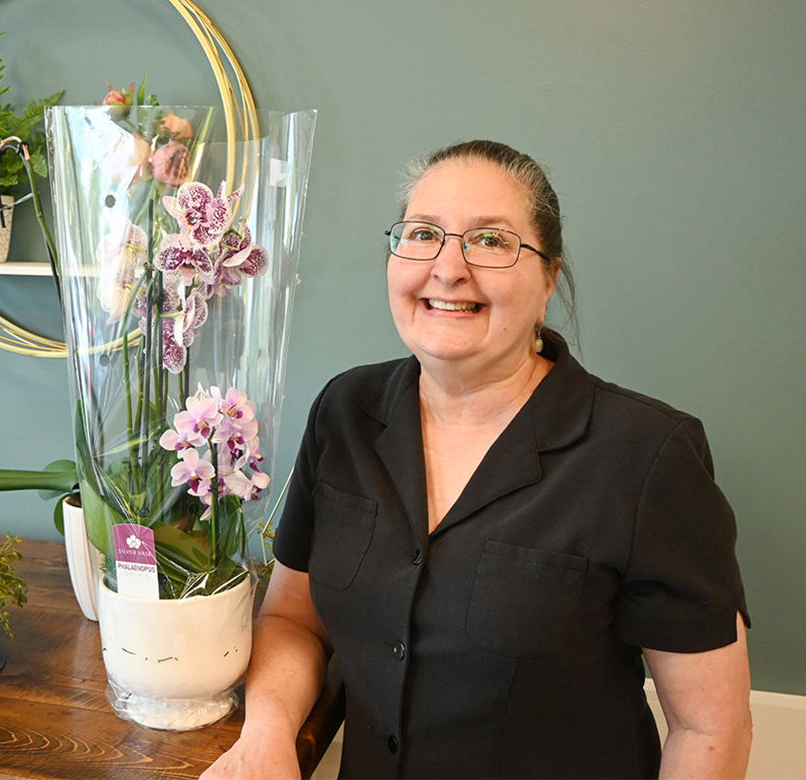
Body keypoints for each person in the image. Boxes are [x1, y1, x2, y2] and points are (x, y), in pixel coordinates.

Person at [203, 141, 752, 779]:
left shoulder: (646, 456)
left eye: (491, 241)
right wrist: (268, 733)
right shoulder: (345, 412)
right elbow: (295, 618)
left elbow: (710, 726)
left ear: (548, 280)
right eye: (423, 234)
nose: (448, 268)